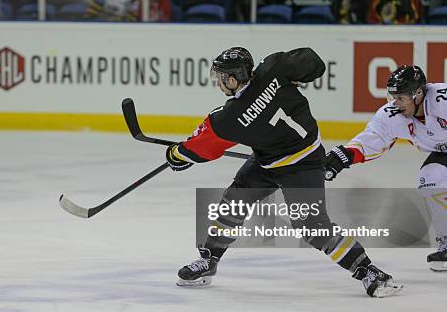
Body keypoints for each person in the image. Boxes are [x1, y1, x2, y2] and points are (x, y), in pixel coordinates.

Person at [165, 46, 403, 297]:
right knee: (235, 199)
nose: (218, 82)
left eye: (221, 78)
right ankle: (209, 261)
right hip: (278, 159)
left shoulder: (229, 118)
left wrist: (175, 154)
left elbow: (199, 149)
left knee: (312, 227)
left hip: (302, 166)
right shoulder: (273, 68)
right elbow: (315, 63)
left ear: (233, 79)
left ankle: (369, 271)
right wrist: (284, 75)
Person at [325, 65, 447, 272]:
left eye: (401, 98)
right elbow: (373, 139)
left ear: (418, 94)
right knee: (431, 177)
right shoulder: (393, 114)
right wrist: (342, 157)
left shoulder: (442, 100)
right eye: (393, 96)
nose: (395, 103)